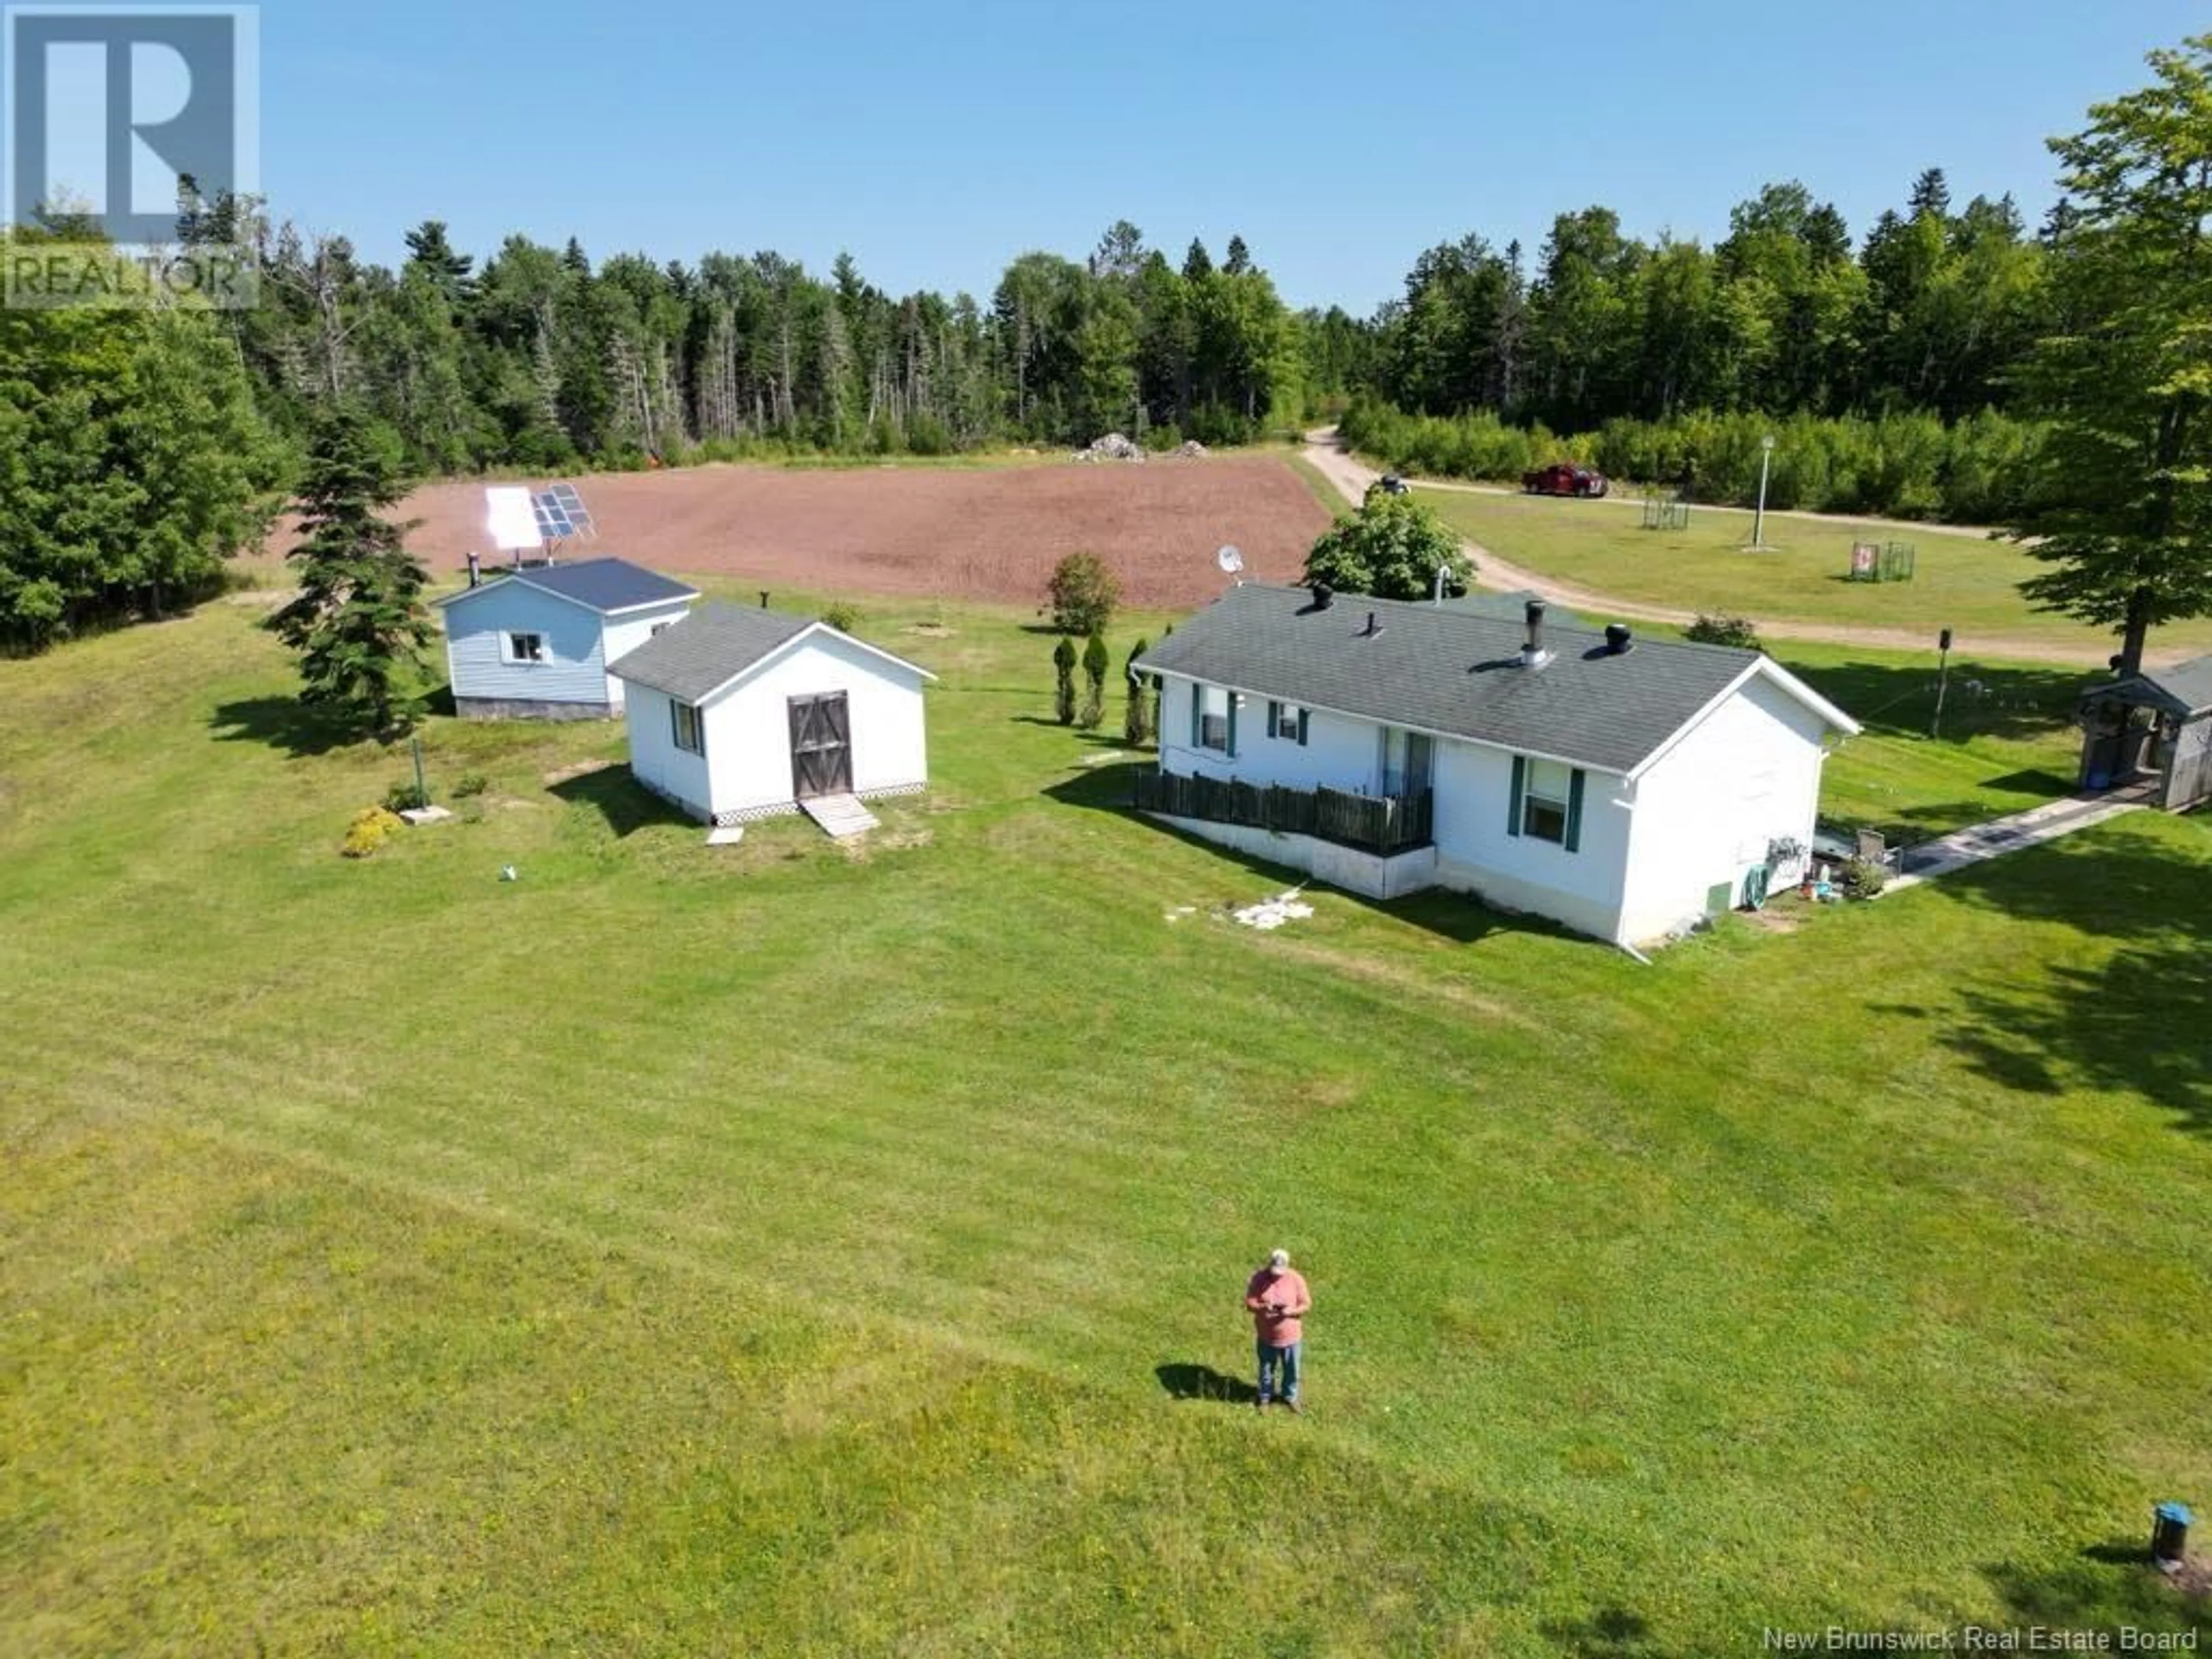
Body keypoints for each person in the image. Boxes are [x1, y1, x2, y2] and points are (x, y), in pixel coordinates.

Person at [1243, 1248, 1311, 1412]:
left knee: (1292, 1370)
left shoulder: (1296, 1280)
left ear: (1287, 1267)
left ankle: (1290, 1397)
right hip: (1266, 1337)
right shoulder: (1259, 1279)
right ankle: (1265, 1396)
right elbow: (1249, 1302)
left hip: (1291, 1337)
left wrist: (1291, 1312)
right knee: (1266, 1369)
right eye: (1274, 1272)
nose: (1276, 1276)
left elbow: (1306, 1304)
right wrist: (1261, 1308)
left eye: (1280, 1273)